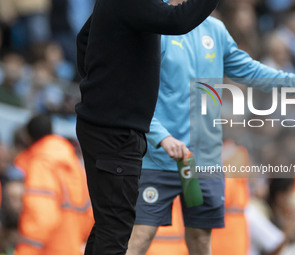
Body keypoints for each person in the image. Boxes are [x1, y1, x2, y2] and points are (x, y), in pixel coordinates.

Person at [126, 0, 295, 254]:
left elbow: (251, 71)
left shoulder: (215, 30)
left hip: (204, 159)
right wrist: (161, 137)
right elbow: (131, 94)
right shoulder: (153, 27)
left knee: (201, 240)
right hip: (158, 158)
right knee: (140, 236)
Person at [75, 0, 220, 254]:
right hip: (115, 132)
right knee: (115, 230)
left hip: (109, 126)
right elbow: (177, 20)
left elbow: (83, 38)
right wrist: (106, 94)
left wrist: (101, 88)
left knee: (109, 226)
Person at [14, 115, 93, 255]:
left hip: (48, 249)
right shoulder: (72, 163)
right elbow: (88, 215)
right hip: (72, 248)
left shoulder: (41, 163)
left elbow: (42, 217)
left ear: (28, 137)